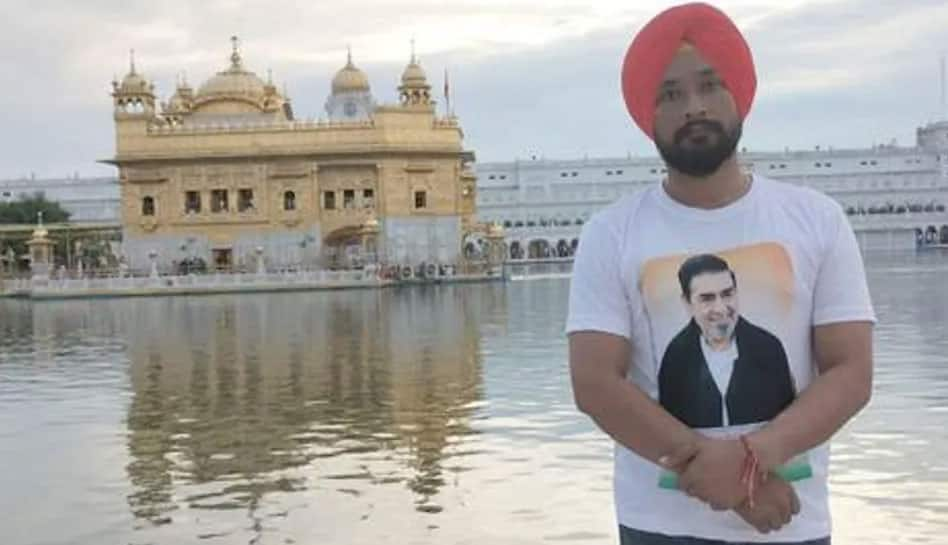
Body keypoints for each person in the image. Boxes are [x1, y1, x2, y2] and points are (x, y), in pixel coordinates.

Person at [565, 3, 875, 544]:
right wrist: (737, 485)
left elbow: (850, 371)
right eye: (670, 94)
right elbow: (595, 384)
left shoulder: (815, 220)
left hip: (791, 523)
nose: (694, 107)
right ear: (648, 113)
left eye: (710, 86)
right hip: (659, 529)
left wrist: (754, 462)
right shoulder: (612, 233)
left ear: (739, 93)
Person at [659, 253, 795, 429]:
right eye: (707, 298)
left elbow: (789, 422)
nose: (721, 308)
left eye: (727, 294)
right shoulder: (675, 357)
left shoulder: (769, 349)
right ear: (687, 303)